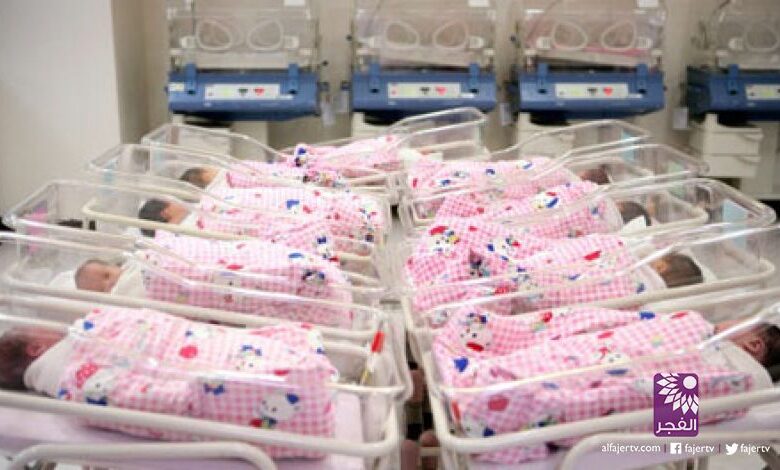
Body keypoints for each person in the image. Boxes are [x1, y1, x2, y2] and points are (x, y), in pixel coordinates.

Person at [0, 307, 337, 460]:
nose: (54, 326)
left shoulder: (91, 330)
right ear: (36, 348)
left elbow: (158, 325)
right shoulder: (77, 381)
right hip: (221, 380)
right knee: (250, 375)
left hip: (197, 346)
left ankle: (290, 365)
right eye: (40, 329)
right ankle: (295, 379)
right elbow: (152, 398)